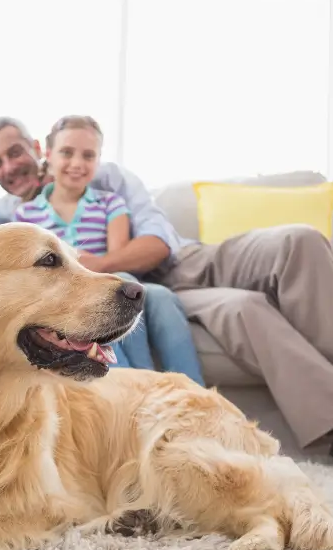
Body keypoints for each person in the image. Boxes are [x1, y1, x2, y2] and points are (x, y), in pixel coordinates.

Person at [0, 116, 333, 490]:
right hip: (165, 295)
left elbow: (156, 243)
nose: (10, 167)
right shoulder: (9, 213)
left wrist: (95, 267)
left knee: (300, 241)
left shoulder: (105, 177)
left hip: (189, 261)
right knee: (245, 313)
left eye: (15, 152)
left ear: (38, 146)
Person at [12, 115, 206, 385]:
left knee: (160, 296)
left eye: (89, 156)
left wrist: (96, 269)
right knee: (135, 288)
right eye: (67, 152)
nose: (78, 163)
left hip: (109, 282)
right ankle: (137, 385)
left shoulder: (110, 203)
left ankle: (193, 390)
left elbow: (116, 263)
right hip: (67, 295)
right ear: (48, 154)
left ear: (99, 160)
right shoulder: (26, 214)